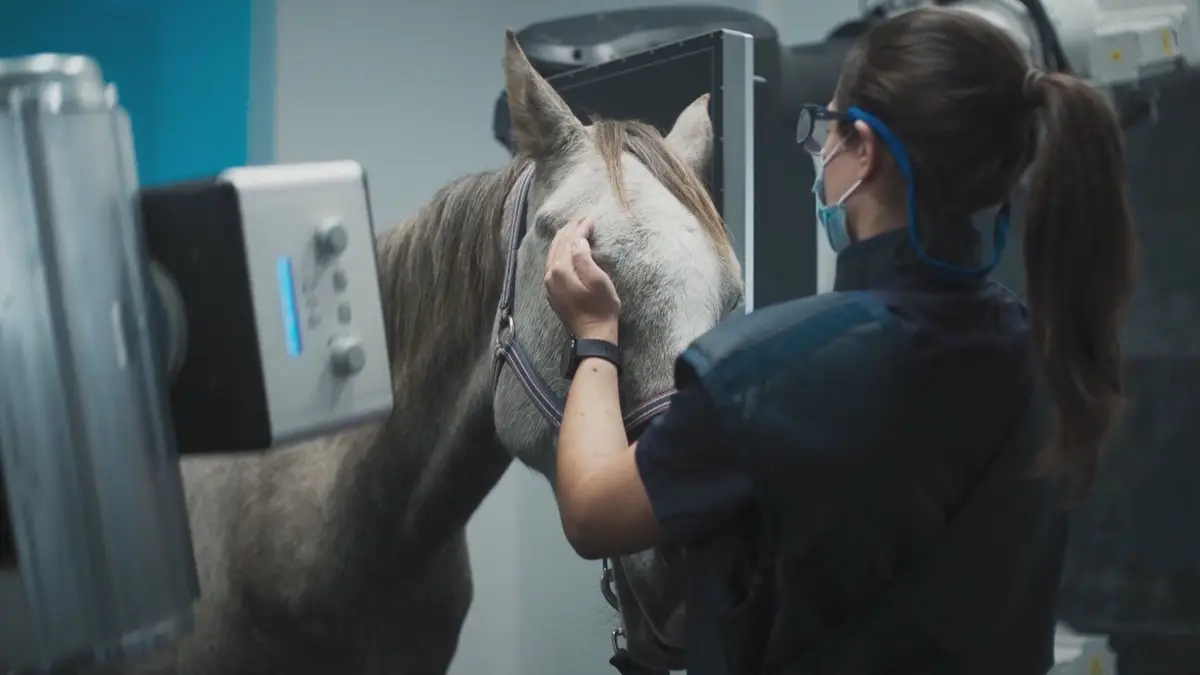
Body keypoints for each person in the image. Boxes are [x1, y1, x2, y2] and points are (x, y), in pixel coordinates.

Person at [542, 6, 1138, 675]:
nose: (819, 155)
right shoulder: (1048, 356)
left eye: (824, 131)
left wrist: (594, 334)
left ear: (865, 149)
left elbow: (593, 511)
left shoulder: (767, 376)